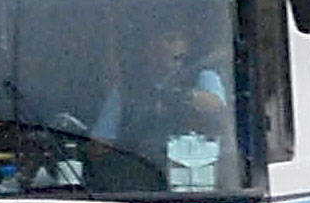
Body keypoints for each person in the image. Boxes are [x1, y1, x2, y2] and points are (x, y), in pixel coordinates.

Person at [91, 31, 227, 153]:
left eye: (182, 39)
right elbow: (101, 142)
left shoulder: (203, 76)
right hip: (141, 168)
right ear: (149, 48)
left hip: (191, 170)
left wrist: (182, 96)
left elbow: (216, 108)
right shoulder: (126, 90)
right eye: (170, 39)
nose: (178, 45)